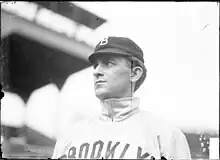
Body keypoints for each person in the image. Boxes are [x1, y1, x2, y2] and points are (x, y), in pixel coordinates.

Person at [52, 36, 191, 159]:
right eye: (96, 65)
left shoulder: (166, 135)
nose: (97, 72)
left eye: (108, 63)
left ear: (134, 73)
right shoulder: (70, 136)